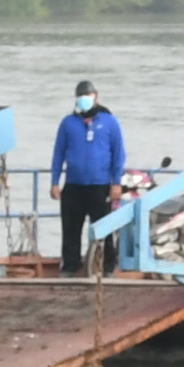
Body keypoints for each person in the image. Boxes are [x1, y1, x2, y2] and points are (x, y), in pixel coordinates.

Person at [49, 83, 127, 267]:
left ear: (96, 96)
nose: (84, 97)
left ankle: (107, 265)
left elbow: (118, 154)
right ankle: (70, 265)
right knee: (70, 228)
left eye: (88, 94)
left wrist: (116, 182)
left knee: (104, 229)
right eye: (81, 94)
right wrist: (54, 182)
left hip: (100, 185)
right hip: (74, 184)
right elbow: (59, 153)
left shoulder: (109, 122)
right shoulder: (68, 122)